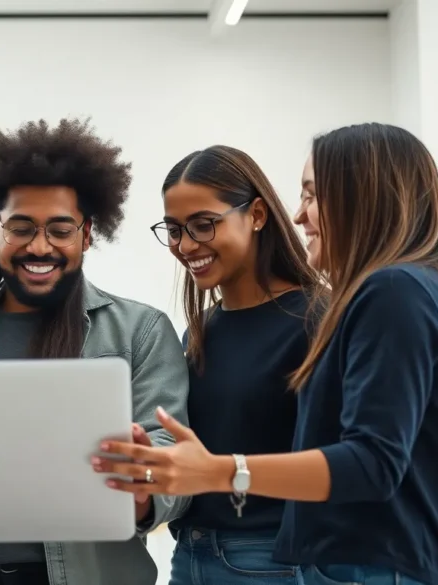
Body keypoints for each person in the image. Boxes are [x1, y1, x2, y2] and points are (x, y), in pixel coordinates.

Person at [94, 122, 438, 585]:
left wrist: (222, 471)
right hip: (226, 555)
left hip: (347, 566)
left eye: (311, 195)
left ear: (360, 195)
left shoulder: (388, 293)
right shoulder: (408, 290)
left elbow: (372, 463)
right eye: (174, 229)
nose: (299, 214)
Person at [0, 117, 191, 585]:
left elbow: (173, 459)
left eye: (60, 229)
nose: (40, 246)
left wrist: (141, 483)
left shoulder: (139, 332)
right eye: (21, 227)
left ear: (87, 234)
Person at [147, 145, 323, 585]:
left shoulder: (319, 319)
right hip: (188, 556)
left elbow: (346, 465)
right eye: (173, 230)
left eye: (203, 225)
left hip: (274, 562)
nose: (185, 245)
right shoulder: (200, 331)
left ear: (257, 215)